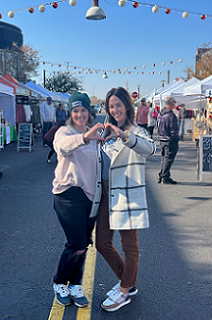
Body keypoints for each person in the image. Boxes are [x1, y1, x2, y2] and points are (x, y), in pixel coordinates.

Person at [96, 87, 156, 312]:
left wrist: (124, 135)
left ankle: (124, 291)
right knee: (102, 244)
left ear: (126, 107)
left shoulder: (136, 131)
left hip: (127, 196)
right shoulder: (106, 131)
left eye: (118, 105)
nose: (114, 110)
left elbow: (150, 149)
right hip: (105, 196)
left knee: (130, 246)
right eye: (111, 106)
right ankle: (127, 283)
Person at [51, 92, 104, 308]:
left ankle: (75, 284)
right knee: (77, 245)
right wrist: (84, 137)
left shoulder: (95, 137)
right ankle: (59, 283)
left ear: (89, 112)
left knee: (84, 244)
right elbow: (62, 146)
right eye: (76, 110)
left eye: (83, 110)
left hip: (91, 196)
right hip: (68, 195)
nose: (80, 114)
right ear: (70, 113)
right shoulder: (64, 132)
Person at [157, 96, 180, 184]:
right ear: (171, 103)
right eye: (174, 101)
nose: (175, 103)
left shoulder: (161, 114)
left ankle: (162, 174)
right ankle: (165, 176)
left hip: (162, 139)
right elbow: (173, 129)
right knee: (168, 159)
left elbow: (158, 126)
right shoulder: (170, 115)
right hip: (170, 139)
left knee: (164, 158)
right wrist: (176, 138)